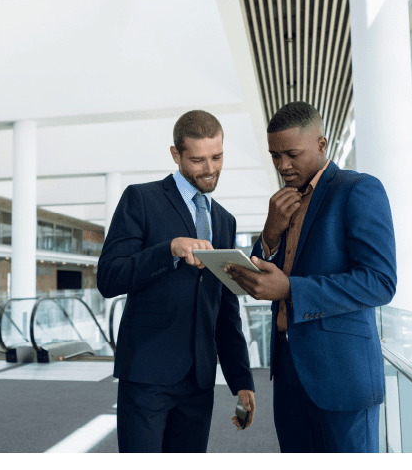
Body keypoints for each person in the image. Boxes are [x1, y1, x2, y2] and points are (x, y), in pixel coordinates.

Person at [225, 101, 396, 452]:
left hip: (342, 374)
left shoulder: (358, 189)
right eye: (275, 156)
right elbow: (266, 268)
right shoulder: (283, 201)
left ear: (322, 145)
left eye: (291, 154)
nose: (282, 166)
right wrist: (270, 233)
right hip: (288, 372)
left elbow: (380, 281)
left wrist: (291, 289)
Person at [97, 110, 256, 453]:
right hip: (147, 374)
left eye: (217, 156)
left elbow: (225, 306)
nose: (210, 168)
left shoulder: (224, 220)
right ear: (176, 155)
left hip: (199, 379)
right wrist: (168, 250)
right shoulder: (141, 199)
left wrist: (241, 380)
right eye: (198, 160)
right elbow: (109, 277)